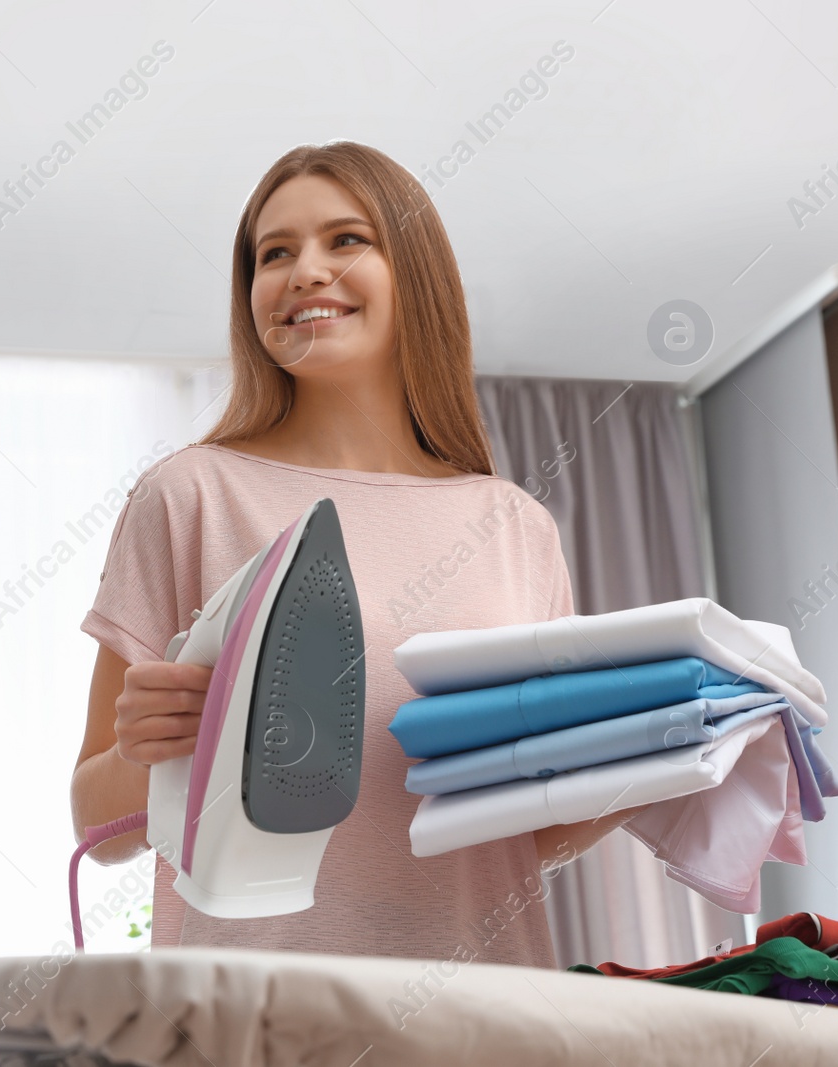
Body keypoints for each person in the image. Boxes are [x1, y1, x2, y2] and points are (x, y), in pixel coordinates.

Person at [70, 141, 642, 967]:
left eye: (346, 240)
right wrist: (139, 753)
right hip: (252, 1016)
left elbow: (526, 829)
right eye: (275, 254)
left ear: (415, 273)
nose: (305, 271)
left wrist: (661, 757)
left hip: (483, 1014)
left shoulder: (515, 525)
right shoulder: (188, 494)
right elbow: (96, 824)